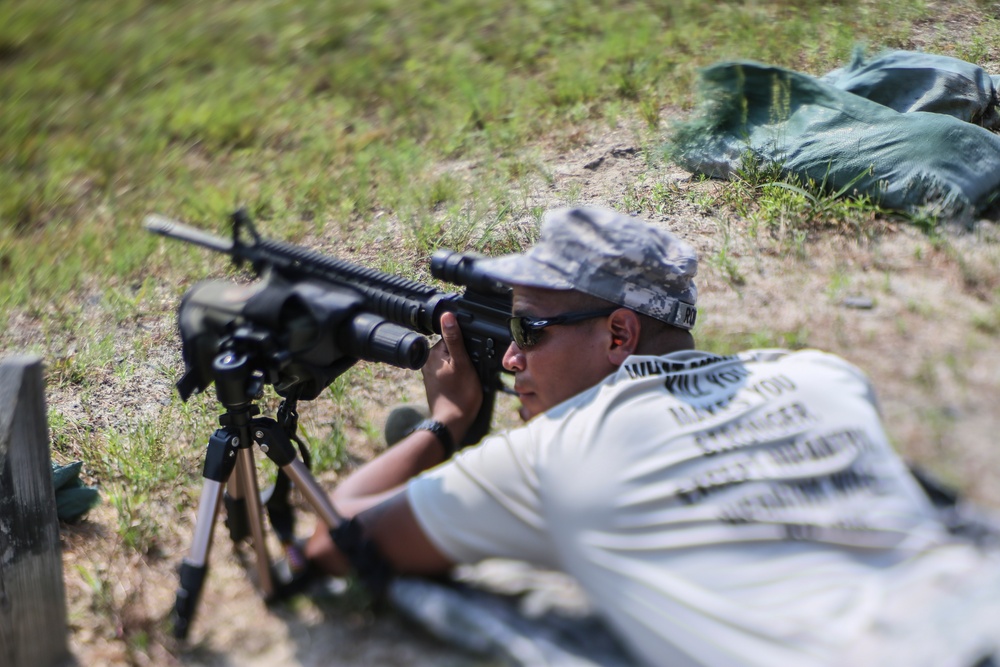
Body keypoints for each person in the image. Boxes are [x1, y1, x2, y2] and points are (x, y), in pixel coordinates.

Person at [306, 206, 1000, 666]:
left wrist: (447, 419)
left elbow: (334, 539)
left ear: (618, 334)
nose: (511, 360)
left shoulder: (554, 456)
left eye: (527, 331)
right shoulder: (821, 375)